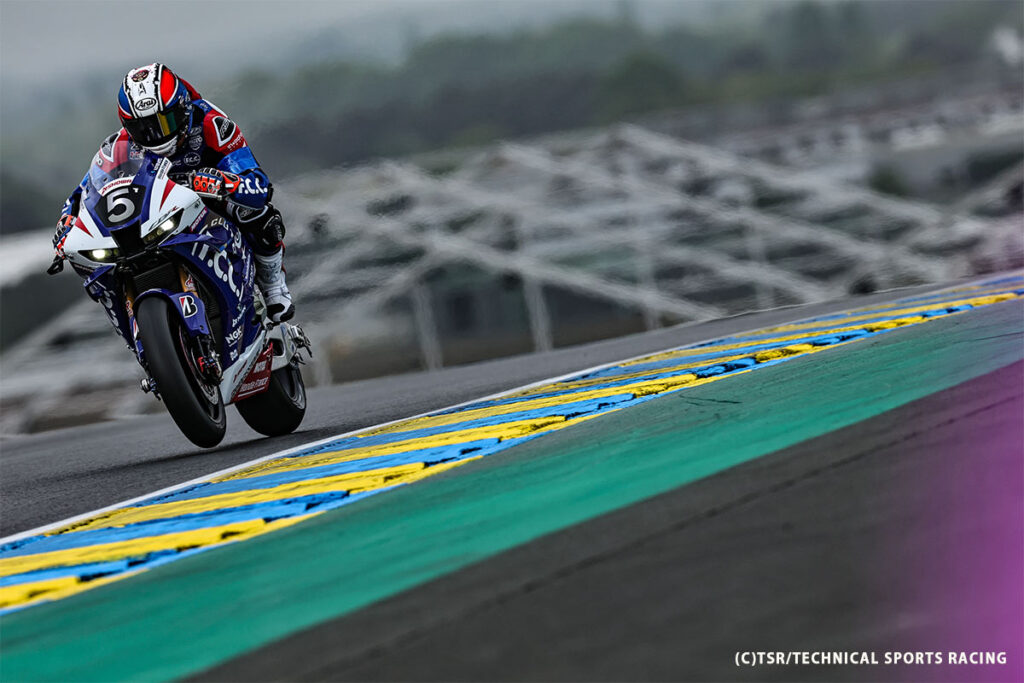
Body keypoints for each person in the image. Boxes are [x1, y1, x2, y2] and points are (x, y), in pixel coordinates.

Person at [52, 62, 294, 322]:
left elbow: (258, 185)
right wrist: (67, 220)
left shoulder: (213, 125)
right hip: (155, 213)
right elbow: (86, 191)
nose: (154, 135)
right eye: (142, 128)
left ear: (182, 108)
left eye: (164, 123)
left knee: (260, 215)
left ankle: (273, 285)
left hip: (208, 203)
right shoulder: (119, 145)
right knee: (100, 264)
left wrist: (223, 183)